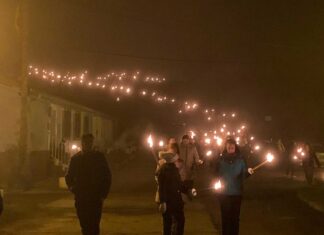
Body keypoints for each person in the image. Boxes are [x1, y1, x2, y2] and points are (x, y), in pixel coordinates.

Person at [65, 134, 112, 235]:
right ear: (82, 143)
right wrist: (74, 189)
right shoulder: (76, 159)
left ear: (92, 143)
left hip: (95, 196)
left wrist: (103, 194)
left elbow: (106, 176)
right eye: (85, 143)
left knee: (94, 225)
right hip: (82, 197)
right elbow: (69, 177)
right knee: (85, 225)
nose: (87, 145)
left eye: (89, 142)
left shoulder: (99, 158)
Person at [214, 138, 254, 235]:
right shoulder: (220, 160)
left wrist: (248, 173)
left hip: (236, 193)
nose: (231, 148)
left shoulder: (240, 160)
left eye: (232, 146)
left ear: (235, 147)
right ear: (226, 147)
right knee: (225, 217)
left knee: (235, 218)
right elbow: (215, 174)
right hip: (224, 194)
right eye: (229, 146)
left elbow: (243, 175)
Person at [157, 143, 186, 235]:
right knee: (168, 224)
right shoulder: (163, 170)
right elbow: (161, 187)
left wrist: (188, 189)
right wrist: (163, 202)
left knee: (179, 221)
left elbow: (179, 184)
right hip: (168, 201)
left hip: (176, 199)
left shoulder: (173, 169)